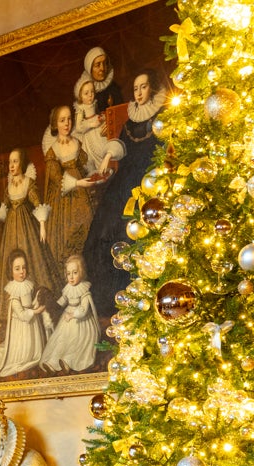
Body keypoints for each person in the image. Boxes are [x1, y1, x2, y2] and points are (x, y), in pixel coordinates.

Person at [84, 67, 167, 313]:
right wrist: (107, 156)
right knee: (106, 229)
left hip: (152, 179)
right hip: (126, 180)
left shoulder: (161, 116)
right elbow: (119, 146)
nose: (139, 92)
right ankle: (112, 300)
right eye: (135, 88)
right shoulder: (130, 122)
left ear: (151, 88)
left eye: (143, 87)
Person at [0, 148, 60, 299]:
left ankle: (38, 299)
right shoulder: (9, 186)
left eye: (15, 161)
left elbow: (38, 205)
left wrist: (43, 226)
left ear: (22, 163)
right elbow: (5, 206)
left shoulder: (28, 183)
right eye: (10, 162)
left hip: (27, 227)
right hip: (11, 228)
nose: (11, 165)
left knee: (33, 259)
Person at [42, 105, 97, 267]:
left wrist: (95, 174)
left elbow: (86, 166)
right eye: (62, 120)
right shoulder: (52, 151)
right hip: (63, 202)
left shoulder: (77, 143)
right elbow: (58, 179)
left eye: (69, 119)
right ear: (55, 124)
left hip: (82, 197)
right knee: (67, 237)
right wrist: (78, 182)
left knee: (87, 231)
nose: (66, 123)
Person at [0, 250, 54, 379]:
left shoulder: (28, 285)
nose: (22, 271)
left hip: (32, 324)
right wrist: (36, 311)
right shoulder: (14, 293)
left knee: (38, 348)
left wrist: (38, 305)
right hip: (22, 327)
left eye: (24, 267)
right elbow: (22, 315)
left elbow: (31, 302)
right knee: (25, 354)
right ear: (11, 271)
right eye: (17, 269)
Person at [43, 255, 100, 374]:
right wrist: (50, 305)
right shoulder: (68, 288)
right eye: (69, 273)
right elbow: (62, 301)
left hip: (82, 322)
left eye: (75, 273)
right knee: (61, 340)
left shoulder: (84, 290)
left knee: (76, 341)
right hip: (67, 320)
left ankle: (68, 362)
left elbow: (84, 310)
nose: (71, 277)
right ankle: (52, 363)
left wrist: (72, 315)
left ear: (82, 273)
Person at [72, 77, 127, 178]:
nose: (90, 95)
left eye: (92, 92)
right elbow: (79, 127)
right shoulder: (80, 109)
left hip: (98, 131)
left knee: (104, 148)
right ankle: (99, 174)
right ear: (80, 96)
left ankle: (108, 170)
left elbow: (97, 115)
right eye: (86, 93)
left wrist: (101, 118)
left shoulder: (94, 104)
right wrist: (92, 124)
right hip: (89, 136)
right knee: (92, 156)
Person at [79, 46, 123, 114]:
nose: (102, 68)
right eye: (97, 65)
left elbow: (121, 112)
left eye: (104, 63)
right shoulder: (83, 90)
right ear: (90, 68)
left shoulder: (114, 88)